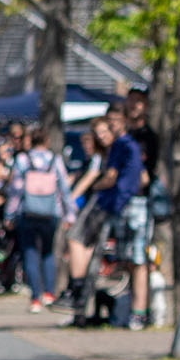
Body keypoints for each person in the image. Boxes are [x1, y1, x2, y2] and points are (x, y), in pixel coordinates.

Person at [64, 104, 142, 327]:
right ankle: (78, 298)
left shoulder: (121, 146)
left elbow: (109, 177)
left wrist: (92, 189)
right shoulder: (120, 147)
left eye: (106, 129)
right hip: (112, 203)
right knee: (85, 248)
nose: (102, 136)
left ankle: (76, 291)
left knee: (80, 242)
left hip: (109, 204)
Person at [6, 125, 74, 313]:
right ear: (47, 141)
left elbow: (15, 191)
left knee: (30, 253)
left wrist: (9, 214)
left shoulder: (22, 160)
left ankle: (35, 297)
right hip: (51, 212)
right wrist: (70, 213)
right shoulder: (55, 160)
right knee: (48, 252)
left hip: (27, 212)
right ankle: (49, 293)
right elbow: (64, 189)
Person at [123, 88, 161, 331]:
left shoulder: (148, 137)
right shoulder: (124, 134)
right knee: (126, 259)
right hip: (122, 202)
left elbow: (145, 176)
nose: (135, 105)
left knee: (139, 259)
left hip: (140, 202)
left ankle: (139, 311)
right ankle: (131, 306)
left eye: (139, 102)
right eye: (131, 102)